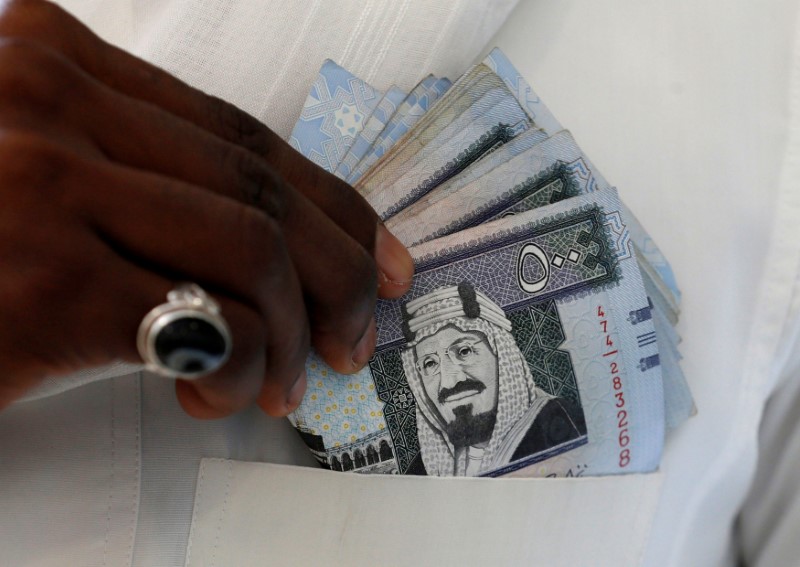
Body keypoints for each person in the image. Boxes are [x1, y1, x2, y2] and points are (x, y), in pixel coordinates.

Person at [401, 283, 586, 476]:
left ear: (503, 357)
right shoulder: (424, 469)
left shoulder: (562, 425)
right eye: (430, 364)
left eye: (464, 351)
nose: (449, 382)